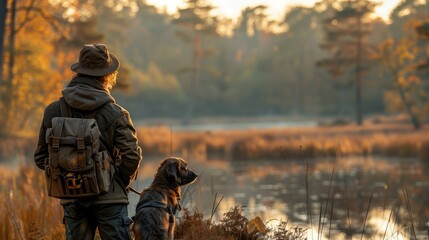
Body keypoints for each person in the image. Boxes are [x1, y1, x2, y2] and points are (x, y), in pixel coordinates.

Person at [34, 43, 142, 239]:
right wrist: (116, 182)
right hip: (110, 201)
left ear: (79, 72)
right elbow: (131, 156)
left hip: (73, 199)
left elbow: (41, 157)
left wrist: (67, 172)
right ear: (107, 76)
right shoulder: (117, 113)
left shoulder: (52, 111)